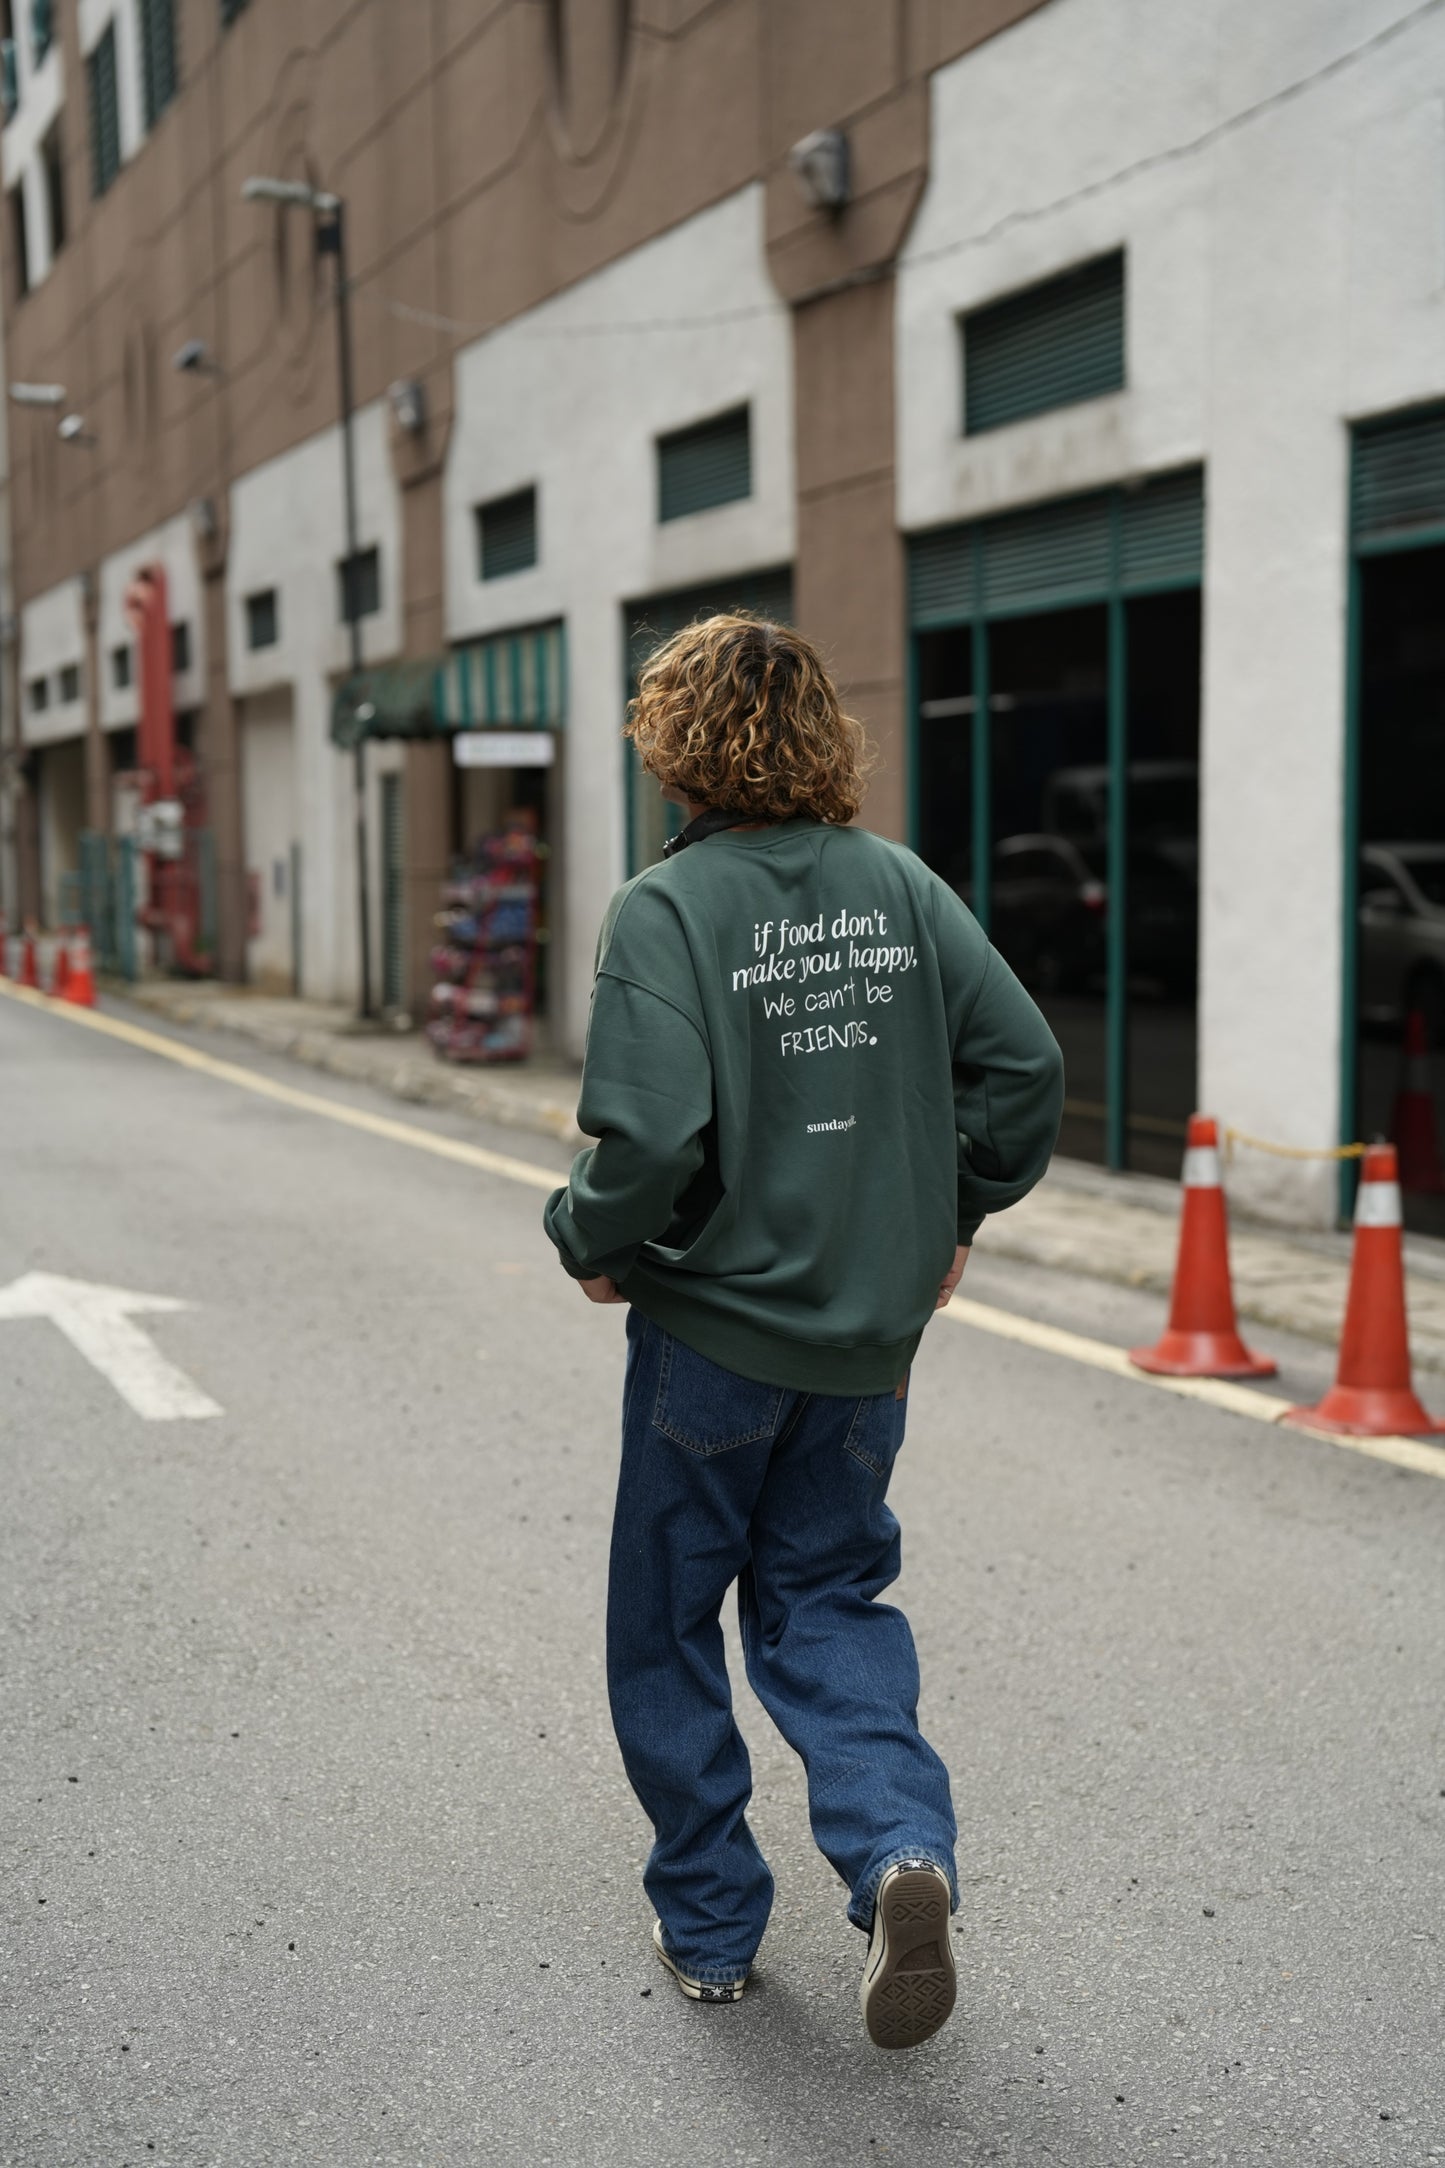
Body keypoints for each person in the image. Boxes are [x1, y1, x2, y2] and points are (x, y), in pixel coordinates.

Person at [543, 615, 1063, 2049]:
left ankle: (711, 1927)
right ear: (821, 734)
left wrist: (589, 1236)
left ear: (672, 741)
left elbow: (646, 1139)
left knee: (664, 1626)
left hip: (710, 1338)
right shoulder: (895, 886)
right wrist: (951, 1209)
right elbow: (1021, 1066)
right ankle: (899, 1849)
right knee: (827, 1601)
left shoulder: (666, 909)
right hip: (862, 1353)